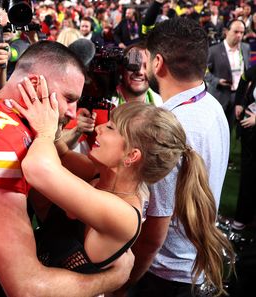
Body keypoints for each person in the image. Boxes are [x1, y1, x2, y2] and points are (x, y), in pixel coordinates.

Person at [0, 40, 134, 297]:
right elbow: (27, 288)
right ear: (34, 85)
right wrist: (113, 278)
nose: (73, 113)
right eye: (69, 98)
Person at [14, 77, 234, 295]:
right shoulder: (101, 173)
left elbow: (37, 168)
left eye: (110, 127)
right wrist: (53, 112)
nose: (99, 128)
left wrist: (44, 130)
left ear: (131, 155)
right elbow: (61, 152)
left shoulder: (124, 214)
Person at [114, 17, 235, 297]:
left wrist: (123, 285)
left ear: (157, 64)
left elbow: (155, 232)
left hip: (165, 275)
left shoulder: (167, 127)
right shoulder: (212, 104)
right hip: (194, 264)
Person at [62, 42, 161, 154]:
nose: (139, 71)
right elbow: (60, 144)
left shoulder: (162, 104)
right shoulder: (99, 100)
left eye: (146, 66)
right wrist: (77, 131)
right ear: (121, 68)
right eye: (133, 64)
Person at [206, 19, 250, 132]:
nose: (239, 35)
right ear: (226, 31)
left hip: (238, 96)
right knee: (214, 130)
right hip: (219, 95)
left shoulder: (246, 48)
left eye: (242, 32)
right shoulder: (213, 50)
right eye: (236, 32)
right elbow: (203, 71)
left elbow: (246, 70)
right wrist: (216, 81)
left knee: (230, 130)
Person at [231, 65, 256, 230]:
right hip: (251, 135)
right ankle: (243, 216)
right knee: (248, 174)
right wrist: (239, 102)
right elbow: (244, 79)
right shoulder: (254, 70)